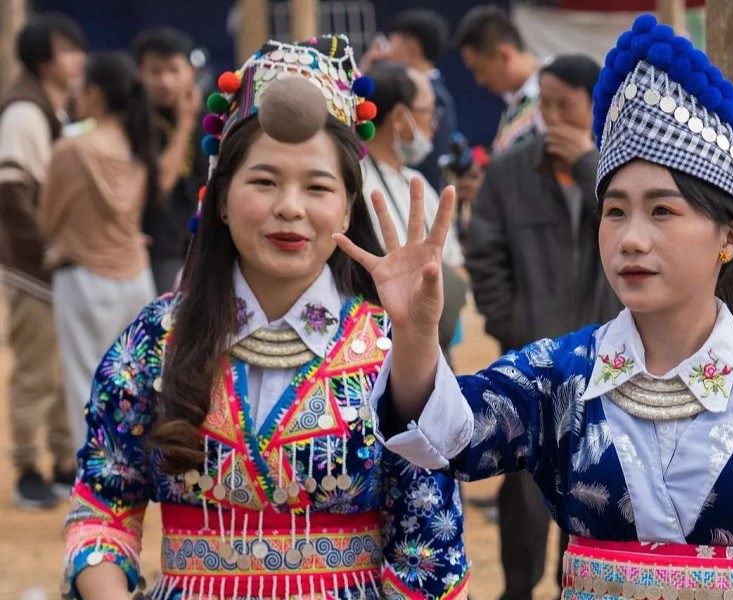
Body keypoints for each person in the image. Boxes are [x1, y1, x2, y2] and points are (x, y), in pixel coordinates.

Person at [338, 15, 733, 599]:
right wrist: (416, 334)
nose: (631, 239)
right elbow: (447, 438)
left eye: (662, 212)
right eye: (615, 211)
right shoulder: (563, 376)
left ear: (730, 235)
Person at [61, 35, 469, 600]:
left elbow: (429, 551)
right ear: (221, 198)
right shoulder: (157, 338)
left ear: (347, 208)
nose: (290, 207)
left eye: (317, 186)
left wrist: (418, 338)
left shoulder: (387, 346)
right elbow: (103, 506)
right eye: (264, 181)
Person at [463, 53, 622, 600]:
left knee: (594, 482)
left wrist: (587, 165)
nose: (552, 117)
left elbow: (635, 240)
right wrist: (509, 322)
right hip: (532, 356)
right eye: (545, 104)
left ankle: (570, 587)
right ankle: (516, 589)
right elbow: (484, 253)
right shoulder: (512, 170)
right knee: (525, 491)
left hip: (608, 359)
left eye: (565, 106)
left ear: (595, 106)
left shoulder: (618, 175)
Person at [38, 52, 159, 448]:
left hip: (84, 281)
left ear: (93, 95)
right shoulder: (139, 145)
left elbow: (47, 220)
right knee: (133, 388)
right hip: (136, 279)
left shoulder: (72, 150)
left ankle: (93, 493)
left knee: (84, 387)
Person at [0, 12, 86, 509]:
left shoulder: (53, 106)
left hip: (55, 268)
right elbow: (12, 196)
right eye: (66, 51)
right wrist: (46, 256)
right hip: (34, 270)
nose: (77, 59)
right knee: (36, 374)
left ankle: (61, 463)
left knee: (60, 371)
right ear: (42, 59)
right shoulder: (23, 112)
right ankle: (28, 467)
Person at [360, 62, 467, 354]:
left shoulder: (414, 180)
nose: (433, 124)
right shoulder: (357, 183)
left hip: (433, 341)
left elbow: (454, 263)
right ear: (398, 117)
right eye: (429, 113)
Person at [453, 5, 545, 246]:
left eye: (480, 70)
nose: (479, 81)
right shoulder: (515, 103)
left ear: (504, 56)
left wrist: (491, 190)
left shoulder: (553, 93)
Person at [132, 26, 206, 293]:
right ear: (140, 73)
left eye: (174, 70)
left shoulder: (209, 116)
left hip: (200, 239)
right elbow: (159, 184)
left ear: (191, 72)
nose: (165, 81)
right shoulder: (134, 122)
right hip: (159, 247)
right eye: (155, 71)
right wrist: (185, 125)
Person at [361, 9, 457, 193]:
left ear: (411, 47)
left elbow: (432, 163)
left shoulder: (436, 97)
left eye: (390, 43)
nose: (385, 52)